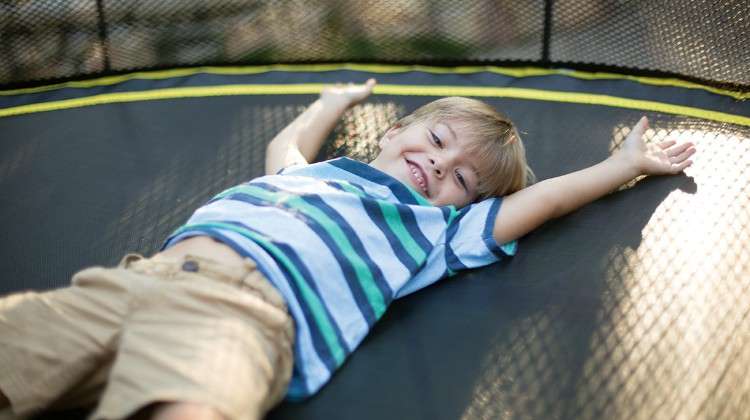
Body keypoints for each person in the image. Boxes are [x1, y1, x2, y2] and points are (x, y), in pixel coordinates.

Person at [0, 79, 695, 420]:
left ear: (467, 208)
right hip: (143, 279)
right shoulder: (311, 176)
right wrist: (331, 100)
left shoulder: (434, 232)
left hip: (237, 316)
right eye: (438, 142)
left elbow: (538, 202)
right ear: (392, 133)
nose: (442, 167)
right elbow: (287, 147)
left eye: (462, 181)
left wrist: (623, 165)